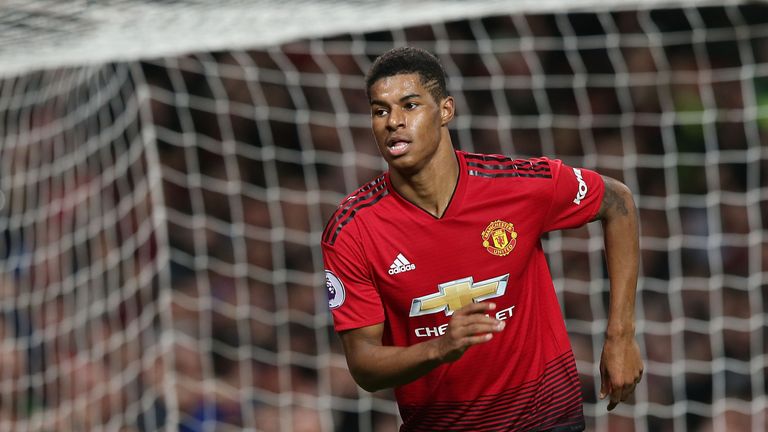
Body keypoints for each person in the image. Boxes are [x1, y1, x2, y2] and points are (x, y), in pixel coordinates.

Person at [321, 46, 643, 431]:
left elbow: (618, 201)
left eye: (409, 105)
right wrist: (441, 348)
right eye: (380, 110)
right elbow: (364, 366)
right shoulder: (352, 230)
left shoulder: (518, 186)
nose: (394, 122)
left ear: (445, 111)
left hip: (547, 419)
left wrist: (620, 335)